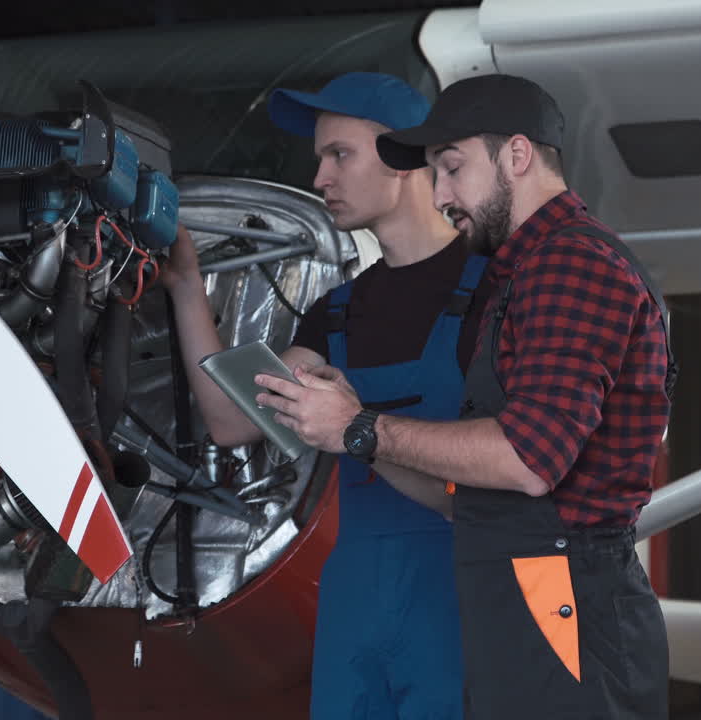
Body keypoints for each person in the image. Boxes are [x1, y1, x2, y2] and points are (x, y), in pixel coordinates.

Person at [255, 73, 676, 719]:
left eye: (452, 168)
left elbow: (529, 460)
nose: (442, 193)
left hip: (560, 591)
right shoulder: (523, 270)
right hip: (517, 588)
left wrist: (360, 428)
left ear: (517, 155)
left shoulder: (571, 265)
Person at [162, 71, 488, 718]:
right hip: (354, 599)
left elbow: (505, 467)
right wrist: (185, 288)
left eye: (340, 155)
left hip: (460, 587)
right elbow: (231, 421)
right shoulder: (338, 311)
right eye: (320, 159)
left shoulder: (494, 290)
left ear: (402, 158)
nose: (320, 180)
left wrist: (356, 429)